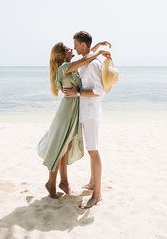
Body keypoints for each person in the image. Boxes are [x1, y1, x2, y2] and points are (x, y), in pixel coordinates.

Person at [37, 42, 111, 198]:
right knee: (60, 146)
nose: (73, 50)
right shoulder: (64, 67)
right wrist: (98, 52)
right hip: (67, 110)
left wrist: (96, 47)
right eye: (70, 50)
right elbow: (85, 60)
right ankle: (51, 183)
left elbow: (85, 57)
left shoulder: (69, 66)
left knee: (67, 147)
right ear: (64, 55)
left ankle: (64, 182)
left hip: (74, 108)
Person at [62, 31, 111, 209]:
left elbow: (100, 90)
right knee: (92, 150)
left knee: (93, 151)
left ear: (83, 45)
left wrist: (78, 93)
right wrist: (97, 47)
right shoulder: (88, 60)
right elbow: (86, 57)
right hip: (86, 111)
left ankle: (97, 195)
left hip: (91, 113)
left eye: (76, 44)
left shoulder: (94, 64)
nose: (74, 47)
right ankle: (92, 183)